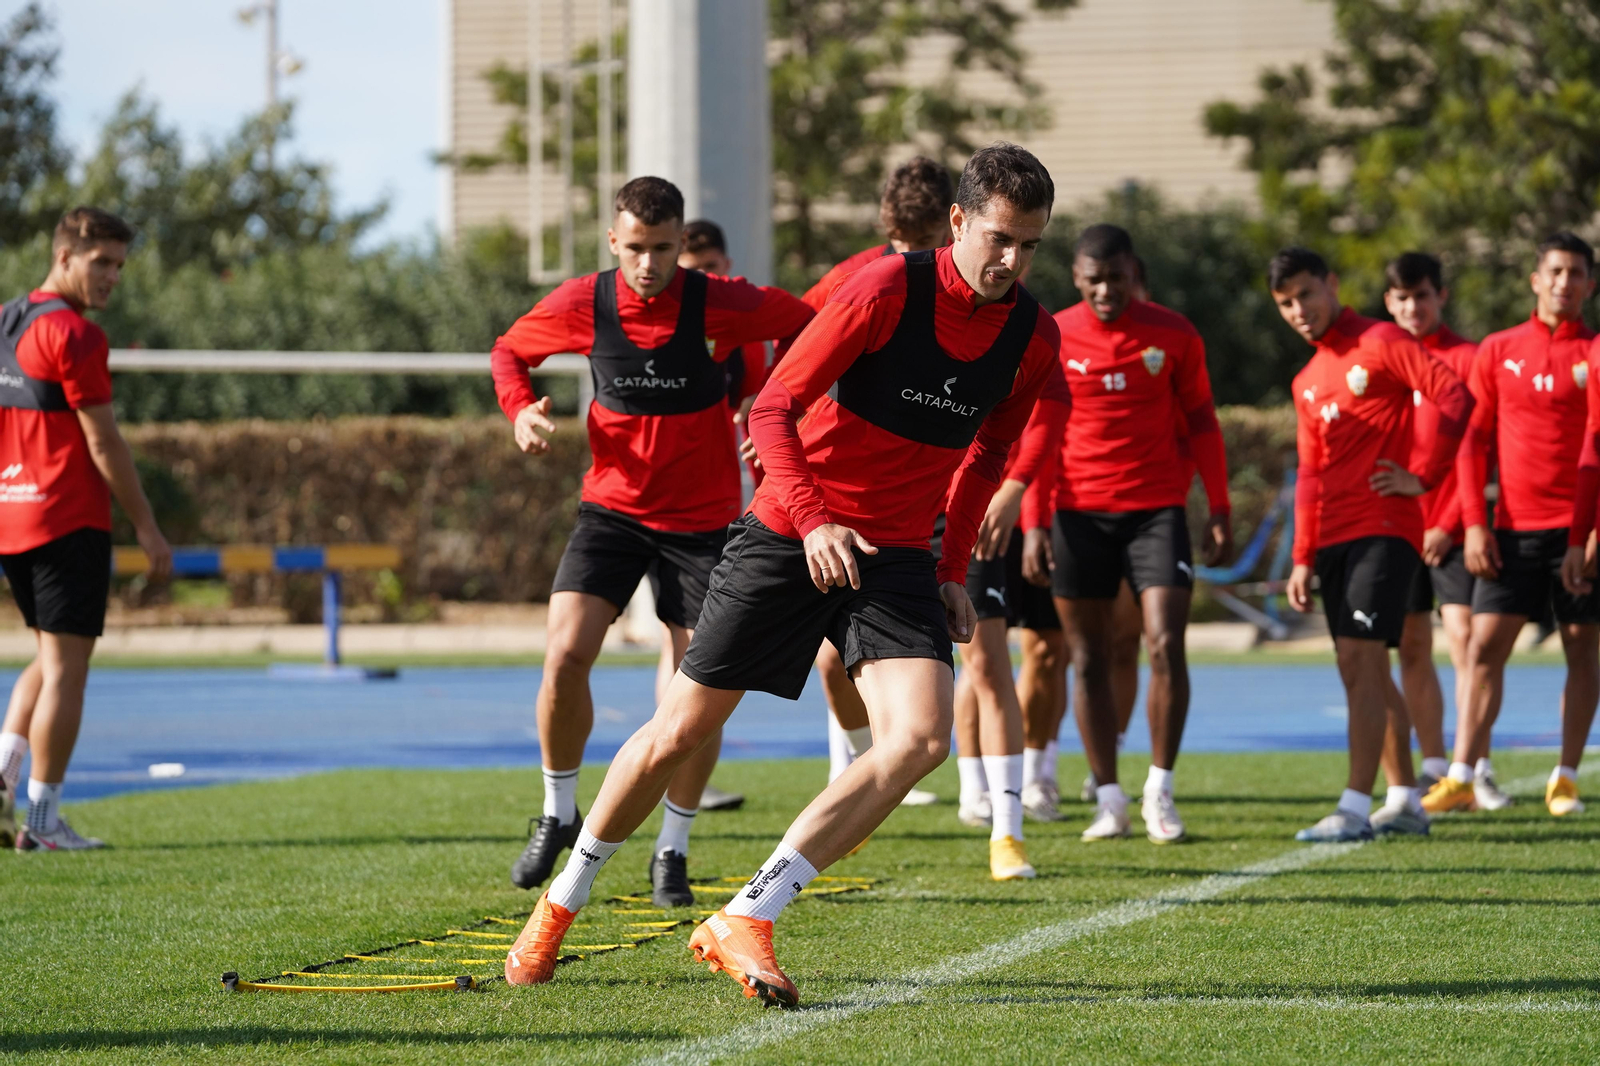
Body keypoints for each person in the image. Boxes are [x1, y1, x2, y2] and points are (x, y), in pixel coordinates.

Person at [504, 143, 1066, 1002]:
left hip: (900, 558)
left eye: (1030, 245)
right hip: (787, 534)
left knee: (919, 740)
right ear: (957, 221)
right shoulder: (882, 292)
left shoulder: (1032, 332)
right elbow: (770, 410)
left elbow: (991, 447)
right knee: (678, 731)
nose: (1012, 262)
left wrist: (952, 563)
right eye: (999, 238)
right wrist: (814, 521)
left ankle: (749, 915)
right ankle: (561, 902)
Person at [490, 177, 814, 907]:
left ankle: (672, 848)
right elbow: (509, 351)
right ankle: (557, 809)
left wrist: (781, 411)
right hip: (611, 513)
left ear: (680, 245)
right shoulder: (584, 301)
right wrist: (519, 412)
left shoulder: (720, 300)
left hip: (702, 524)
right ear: (614, 241)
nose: (648, 264)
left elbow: (810, 324)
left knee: (696, 694)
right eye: (635, 248)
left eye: (663, 249)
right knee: (565, 655)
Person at [1017, 224, 1232, 844]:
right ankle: (1108, 798)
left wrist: (1217, 506)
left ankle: (1159, 791)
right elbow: (1041, 437)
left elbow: (1202, 423)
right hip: (1077, 515)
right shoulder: (1053, 334)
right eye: (1093, 281)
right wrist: (1035, 525)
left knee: (1163, 644)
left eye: (1115, 278)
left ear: (1134, 272)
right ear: (1077, 280)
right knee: (1084, 657)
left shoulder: (1174, 333)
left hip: (1156, 512)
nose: (1105, 290)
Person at [1272, 246, 1472, 842]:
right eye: (1285, 303)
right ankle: (1406, 798)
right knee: (1357, 665)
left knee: (1362, 658)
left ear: (1332, 284)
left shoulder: (1383, 341)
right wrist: (1302, 555)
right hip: (1331, 537)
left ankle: (1355, 807)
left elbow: (1456, 396)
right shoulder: (1306, 380)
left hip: (1383, 528)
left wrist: (1425, 476)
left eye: (1307, 293)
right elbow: (1308, 472)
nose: (1299, 310)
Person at [0, 207, 173, 851]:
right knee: (69, 671)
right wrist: (148, 528)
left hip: (11, 518)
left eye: (120, 265)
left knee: (49, 659)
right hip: (64, 518)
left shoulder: (6, 320)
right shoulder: (74, 335)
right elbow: (105, 444)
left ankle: (3, 780)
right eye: (102, 262)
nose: (112, 277)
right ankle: (42, 825)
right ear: (64, 256)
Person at [799, 156, 954, 805]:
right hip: (845, 496)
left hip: (925, 498)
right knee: (829, 656)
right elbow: (789, 352)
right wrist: (771, 410)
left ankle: (990, 793)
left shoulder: (972, 294)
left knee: (955, 650)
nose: (912, 258)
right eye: (902, 245)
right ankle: (858, 760)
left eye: (927, 246)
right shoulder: (852, 279)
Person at [1431, 234, 1598, 817]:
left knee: (1582, 653)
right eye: (1555, 271)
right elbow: (1471, 444)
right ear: (1535, 279)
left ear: (1590, 285)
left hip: (1579, 537)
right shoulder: (1498, 350)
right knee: (1481, 650)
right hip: (1512, 530)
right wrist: (1474, 525)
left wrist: (1589, 537)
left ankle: (1567, 777)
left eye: (1576, 273)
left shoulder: (1596, 353)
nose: (1564, 282)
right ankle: (1460, 774)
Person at [1380, 253, 1482, 799]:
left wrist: (1447, 521)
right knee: (1412, 646)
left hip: (1455, 527)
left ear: (1440, 296)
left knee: (1468, 643)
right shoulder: (1381, 359)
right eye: (1400, 298)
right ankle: (1436, 764)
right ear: (1388, 304)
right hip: (1399, 527)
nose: (1411, 307)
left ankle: (1474, 765)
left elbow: (1477, 449)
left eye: (1421, 295)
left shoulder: (1469, 358)